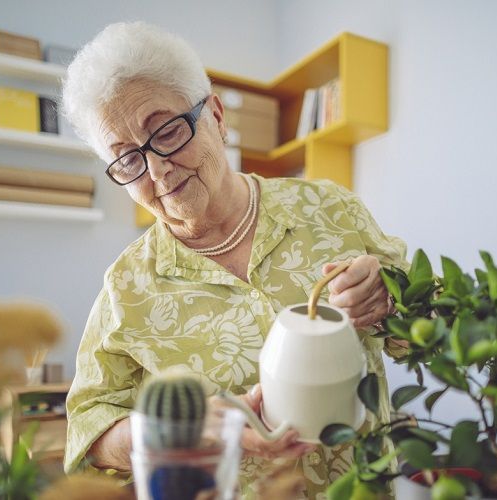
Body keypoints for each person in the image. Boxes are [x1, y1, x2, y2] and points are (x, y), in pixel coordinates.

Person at [62, 21, 410, 498]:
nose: (157, 169)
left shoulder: (332, 209)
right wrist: (173, 431)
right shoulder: (128, 286)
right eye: (126, 159)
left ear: (217, 117)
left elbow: (423, 319)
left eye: (165, 131)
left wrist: (390, 294)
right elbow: (88, 428)